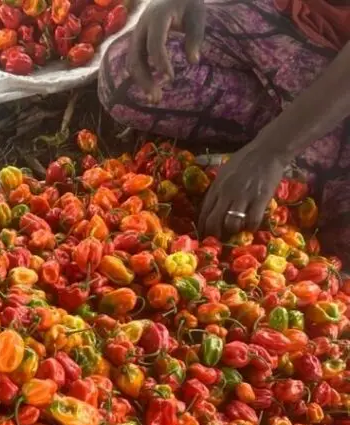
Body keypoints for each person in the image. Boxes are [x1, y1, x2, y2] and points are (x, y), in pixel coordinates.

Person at [98, 0, 350, 254]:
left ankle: (304, 130)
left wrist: (271, 151)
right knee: (127, 71)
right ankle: (299, 127)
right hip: (277, 17)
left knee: (342, 235)